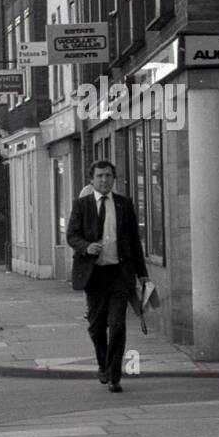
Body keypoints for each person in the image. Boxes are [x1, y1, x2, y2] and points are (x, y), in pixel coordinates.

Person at [66, 160, 149, 393]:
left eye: (108, 176)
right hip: (94, 275)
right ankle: (103, 364)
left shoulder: (124, 204)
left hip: (119, 275)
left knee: (118, 325)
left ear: (114, 179)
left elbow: (134, 241)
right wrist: (86, 247)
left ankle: (114, 375)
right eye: (100, 176)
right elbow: (72, 235)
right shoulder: (81, 205)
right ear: (91, 180)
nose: (104, 180)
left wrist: (142, 275)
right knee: (96, 326)